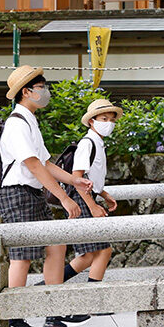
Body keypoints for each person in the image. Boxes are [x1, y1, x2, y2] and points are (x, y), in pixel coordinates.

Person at [0, 65, 93, 327]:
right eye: (42, 87)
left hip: (30, 193)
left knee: (56, 244)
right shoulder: (16, 123)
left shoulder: (29, 120)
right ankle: (13, 319)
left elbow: (46, 163)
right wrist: (63, 198)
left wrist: (74, 182)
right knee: (22, 256)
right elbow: (33, 165)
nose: (45, 92)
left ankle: (54, 309)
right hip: (17, 192)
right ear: (27, 91)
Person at [58, 98, 121, 315]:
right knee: (101, 250)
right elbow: (77, 178)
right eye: (104, 119)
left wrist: (104, 194)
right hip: (83, 199)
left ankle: (50, 285)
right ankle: (92, 301)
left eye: (111, 120)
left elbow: (90, 178)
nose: (108, 123)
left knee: (89, 255)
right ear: (92, 121)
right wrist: (93, 205)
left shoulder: (97, 143)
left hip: (89, 197)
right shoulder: (88, 143)